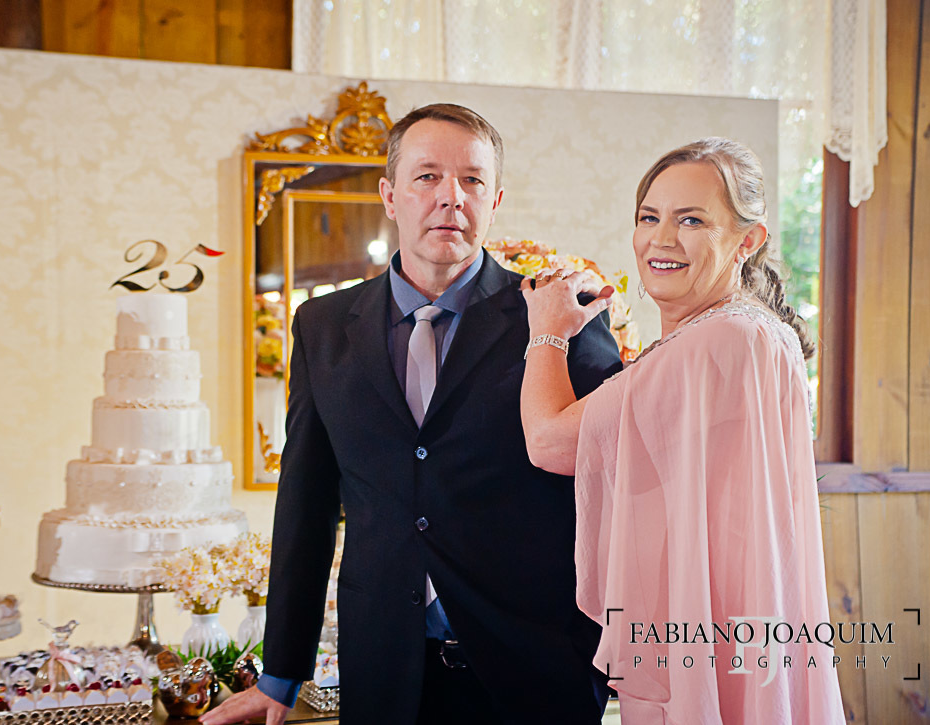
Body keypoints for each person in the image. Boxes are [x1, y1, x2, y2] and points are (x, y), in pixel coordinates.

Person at [202, 104, 622, 725]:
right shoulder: (322, 326)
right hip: (383, 669)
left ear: (495, 201)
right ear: (390, 195)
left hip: (537, 670)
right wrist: (281, 673)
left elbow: (615, 489)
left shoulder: (562, 312)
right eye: (427, 176)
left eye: (472, 180)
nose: (451, 197)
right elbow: (306, 505)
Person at [519, 138, 846, 723]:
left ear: (748, 241)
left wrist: (547, 330)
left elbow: (548, 442)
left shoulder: (720, 341)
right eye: (650, 217)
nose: (661, 239)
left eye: (691, 220)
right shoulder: (754, 333)